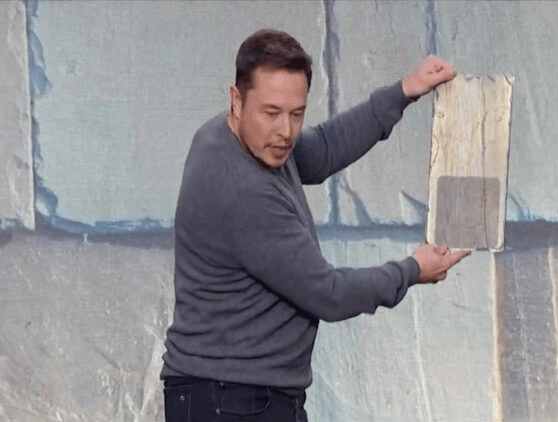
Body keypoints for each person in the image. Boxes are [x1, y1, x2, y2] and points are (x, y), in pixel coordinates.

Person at [160, 28, 469, 422]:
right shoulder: (243, 192)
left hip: (236, 393)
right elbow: (329, 294)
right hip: (231, 400)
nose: (286, 132)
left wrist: (404, 91)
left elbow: (320, 151)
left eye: (297, 114)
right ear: (236, 100)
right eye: (272, 113)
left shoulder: (231, 135)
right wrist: (412, 270)